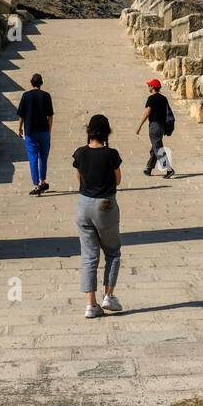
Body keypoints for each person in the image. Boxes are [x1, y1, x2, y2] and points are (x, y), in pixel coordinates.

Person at [73, 114, 123, 319]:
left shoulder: (80, 153)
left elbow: (78, 177)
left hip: (83, 206)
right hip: (105, 205)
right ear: (106, 133)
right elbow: (118, 180)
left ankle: (90, 305)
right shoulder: (111, 154)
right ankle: (108, 296)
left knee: (89, 257)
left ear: (89, 131)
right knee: (112, 252)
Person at [17, 73, 54, 195]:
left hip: (30, 132)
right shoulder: (46, 96)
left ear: (31, 83)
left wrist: (19, 128)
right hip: (44, 131)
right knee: (43, 157)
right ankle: (42, 181)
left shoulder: (26, 96)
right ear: (41, 83)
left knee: (33, 158)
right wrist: (49, 131)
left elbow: (21, 115)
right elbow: (50, 116)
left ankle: (36, 183)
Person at [136, 78, 175, 178]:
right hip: (162, 127)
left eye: (149, 85)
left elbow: (147, 113)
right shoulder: (164, 98)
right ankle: (149, 168)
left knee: (158, 148)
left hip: (154, 126)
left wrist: (139, 125)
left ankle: (168, 169)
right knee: (155, 147)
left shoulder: (151, 98)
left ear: (153, 87)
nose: (148, 87)